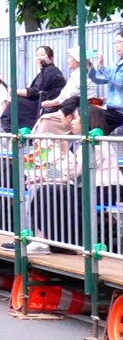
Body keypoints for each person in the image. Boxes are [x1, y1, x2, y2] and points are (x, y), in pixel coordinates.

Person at [11, 97, 123, 254]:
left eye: (76, 118)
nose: (72, 122)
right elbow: (67, 171)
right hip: (93, 188)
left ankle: (51, 241)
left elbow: (72, 172)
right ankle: (44, 239)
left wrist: (61, 156)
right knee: (45, 191)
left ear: (86, 121)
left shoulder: (92, 144)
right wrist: (46, 178)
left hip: (104, 190)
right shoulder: (81, 142)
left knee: (48, 193)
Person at [6, 45, 65, 133]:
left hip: (45, 104)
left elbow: (35, 92)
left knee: (15, 102)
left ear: (51, 58)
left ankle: (13, 131)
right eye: (37, 55)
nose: (39, 58)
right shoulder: (48, 71)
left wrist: (15, 91)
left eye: (42, 55)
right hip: (43, 102)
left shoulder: (49, 72)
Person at [88, 28, 123, 133]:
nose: (116, 46)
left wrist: (103, 67)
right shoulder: (115, 65)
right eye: (115, 43)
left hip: (120, 111)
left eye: (119, 42)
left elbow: (120, 81)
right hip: (112, 110)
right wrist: (89, 65)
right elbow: (99, 80)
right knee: (87, 115)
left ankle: (96, 145)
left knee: (92, 116)